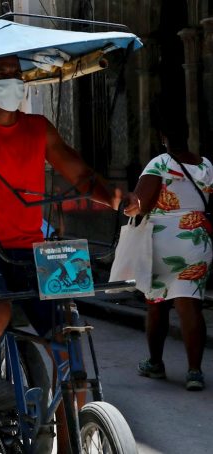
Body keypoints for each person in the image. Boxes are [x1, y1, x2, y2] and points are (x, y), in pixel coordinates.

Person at [0, 55, 117, 442]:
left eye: (17, 75)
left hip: (35, 251)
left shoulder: (39, 128)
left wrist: (115, 198)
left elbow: (80, 174)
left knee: (71, 342)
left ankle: (72, 444)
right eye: (2, 76)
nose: (12, 82)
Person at [123, 119, 211, 391]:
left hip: (164, 239)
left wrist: (125, 204)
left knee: (157, 304)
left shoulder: (160, 163)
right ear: (188, 135)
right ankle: (194, 372)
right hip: (198, 238)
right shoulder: (206, 165)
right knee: (190, 304)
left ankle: (155, 363)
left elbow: (140, 203)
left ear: (163, 138)